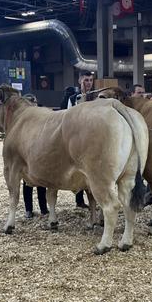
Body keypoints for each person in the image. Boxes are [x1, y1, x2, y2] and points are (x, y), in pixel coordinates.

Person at [60, 72, 93, 208]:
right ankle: (79, 200)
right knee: (79, 168)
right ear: (80, 80)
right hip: (78, 138)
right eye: (86, 80)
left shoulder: (97, 97)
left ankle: (93, 199)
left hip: (93, 137)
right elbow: (68, 116)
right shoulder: (73, 98)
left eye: (91, 80)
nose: (89, 83)